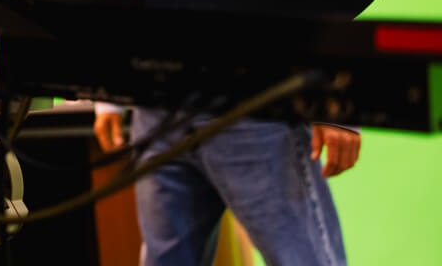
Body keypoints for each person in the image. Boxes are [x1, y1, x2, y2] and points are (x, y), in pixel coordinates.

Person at [93, 103, 361, 266]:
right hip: (155, 109)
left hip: (252, 103)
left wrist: (332, 101)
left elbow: (312, 7)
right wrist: (109, 99)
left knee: (299, 258)